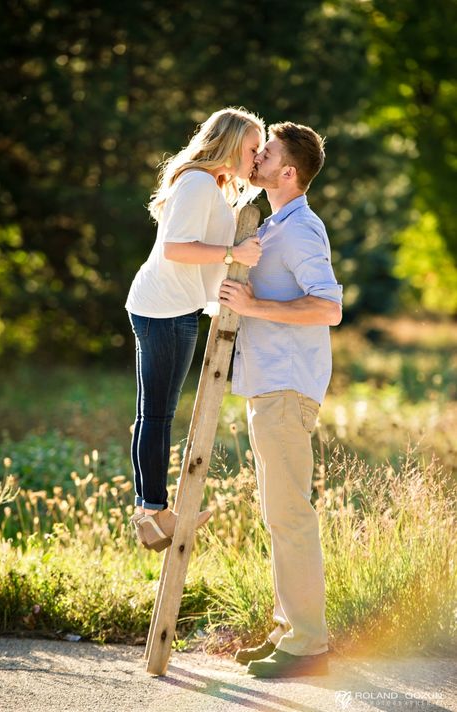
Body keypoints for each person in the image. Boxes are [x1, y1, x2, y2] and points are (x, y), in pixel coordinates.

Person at [219, 121, 343, 678]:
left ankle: (308, 647)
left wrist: (252, 308)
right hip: (270, 386)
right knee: (278, 514)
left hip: (288, 389)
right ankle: (289, 633)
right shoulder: (275, 225)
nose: (255, 155)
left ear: (287, 172)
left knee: (290, 516)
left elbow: (328, 308)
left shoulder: (300, 231)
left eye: (264, 151)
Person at [126, 108, 265, 553]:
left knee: (154, 413)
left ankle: (149, 517)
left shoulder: (212, 185)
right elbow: (176, 249)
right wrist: (233, 253)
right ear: (228, 143)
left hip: (172, 306)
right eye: (252, 147)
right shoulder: (198, 182)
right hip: (164, 309)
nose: (257, 156)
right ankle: (153, 510)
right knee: (157, 415)